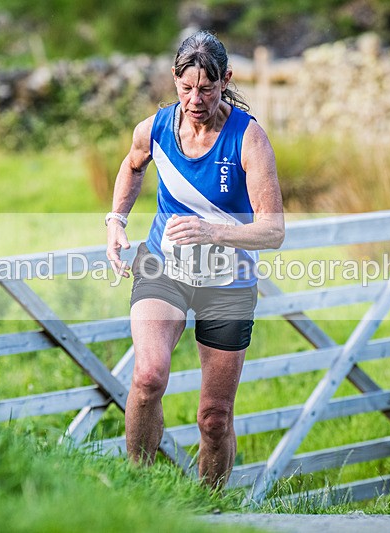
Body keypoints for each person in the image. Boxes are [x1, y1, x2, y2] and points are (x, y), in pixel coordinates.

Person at [105, 30, 284, 488]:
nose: (195, 100)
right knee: (148, 377)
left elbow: (273, 231)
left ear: (226, 80)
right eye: (186, 88)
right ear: (174, 79)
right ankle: (139, 492)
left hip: (228, 283)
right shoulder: (155, 128)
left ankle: (210, 508)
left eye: (206, 89)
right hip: (163, 267)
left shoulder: (249, 138)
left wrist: (212, 231)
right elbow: (132, 164)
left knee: (215, 417)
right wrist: (116, 220)